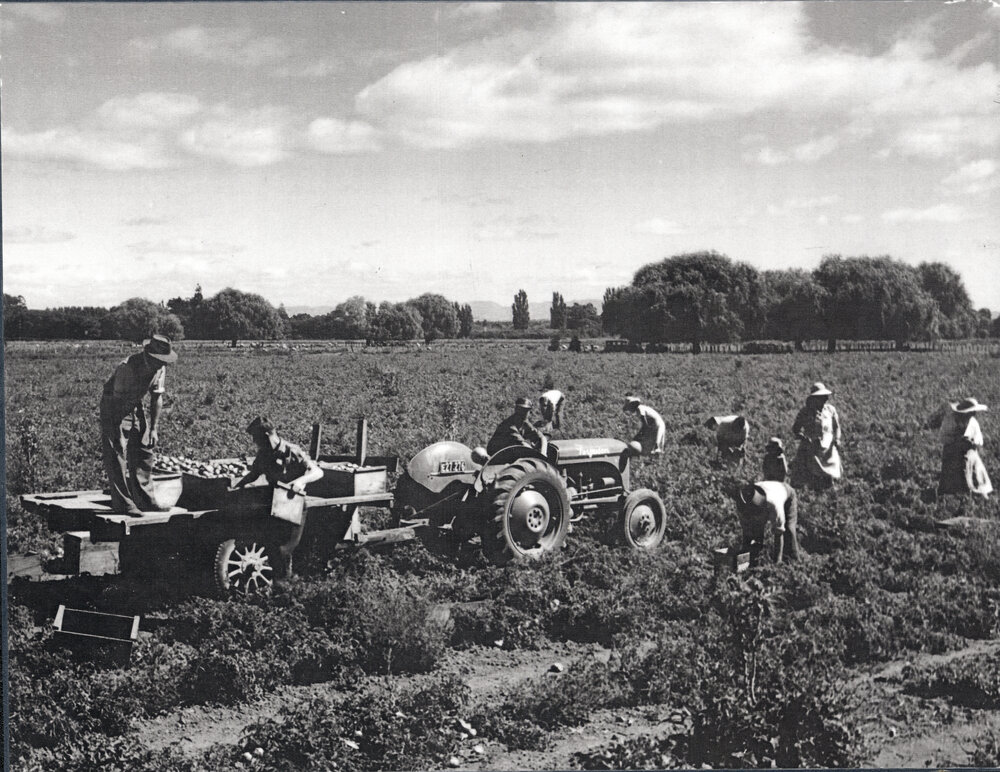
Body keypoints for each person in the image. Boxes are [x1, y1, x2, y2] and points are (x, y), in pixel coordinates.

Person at [99, 335, 177, 515]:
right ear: (148, 355)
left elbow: (157, 397)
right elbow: (118, 402)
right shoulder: (127, 368)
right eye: (158, 360)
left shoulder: (159, 368)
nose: (161, 364)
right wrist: (118, 433)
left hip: (135, 403)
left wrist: (153, 429)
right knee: (117, 452)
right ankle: (124, 504)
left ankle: (144, 499)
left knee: (144, 449)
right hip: (114, 406)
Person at [233, 417, 323, 493]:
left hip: (294, 503)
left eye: (255, 437)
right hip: (274, 501)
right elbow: (254, 474)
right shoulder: (263, 454)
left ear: (266, 435)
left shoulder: (293, 451)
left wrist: (299, 482)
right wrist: (237, 487)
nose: (254, 441)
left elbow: (317, 472)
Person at [937, 398, 992, 505]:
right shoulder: (950, 420)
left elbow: (979, 440)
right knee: (953, 479)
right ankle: (953, 499)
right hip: (952, 453)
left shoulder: (973, 422)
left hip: (970, 453)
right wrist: (956, 440)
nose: (973, 414)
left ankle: (980, 496)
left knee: (975, 475)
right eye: (971, 412)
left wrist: (972, 441)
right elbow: (942, 438)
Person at [791, 382, 842, 488]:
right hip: (812, 446)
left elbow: (836, 427)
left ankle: (828, 478)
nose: (824, 400)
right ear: (814, 399)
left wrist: (837, 439)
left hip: (828, 446)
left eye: (825, 398)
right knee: (808, 463)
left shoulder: (830, 410)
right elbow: (796, 428)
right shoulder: (805, 412)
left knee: (832, 460)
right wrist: (804, 438)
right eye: (821, 398)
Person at [735, 480, 800, 563]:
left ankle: (795, 561)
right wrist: (745, 554)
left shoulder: (774, 505)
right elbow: (746, 530)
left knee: (788, 530)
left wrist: (777, 562)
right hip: (768, 489)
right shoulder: (743, 503)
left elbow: (779, 533)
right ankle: (755, 559)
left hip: (786, 493)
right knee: (756, 529)